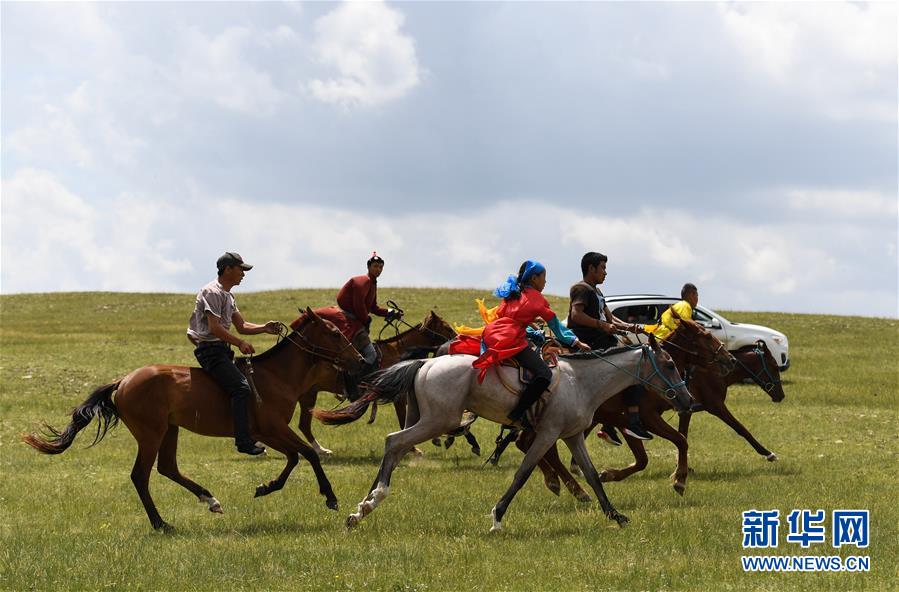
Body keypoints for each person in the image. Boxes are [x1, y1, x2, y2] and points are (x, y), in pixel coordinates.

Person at [469, 260, 591, 429]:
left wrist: (533, 331)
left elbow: (513, 319)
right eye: (543, 277)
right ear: (534, 278)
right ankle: (517, 414)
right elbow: (556, 326)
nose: (545, 281)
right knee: (544, 374)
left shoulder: (514, 293)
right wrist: (576, 341)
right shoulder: (537, 299)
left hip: (492, 332)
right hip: (509, 337)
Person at [187, 252, 281, 455]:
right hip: (211, 352)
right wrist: (240, 343)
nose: (243, 274)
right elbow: (215, 328)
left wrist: (265, 327)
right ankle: (244, 441)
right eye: (241, 269)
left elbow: (242, 325)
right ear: (228, 269)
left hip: (221, 350)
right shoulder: (212, 292)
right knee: (241, 389)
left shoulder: (228, 295)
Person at [567, 252, 653, 443]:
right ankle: (631, 421)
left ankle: (609, 425)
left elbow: (609, 317)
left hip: (604, 340)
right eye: (603, 268)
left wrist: (629, 327)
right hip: (590, 343)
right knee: (632, 370)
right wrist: (601, 326)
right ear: (591, 268)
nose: (606, 273)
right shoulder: (581, 289)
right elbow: (576, 315)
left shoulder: (597, 292)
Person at [336, 252, 402, 396]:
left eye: (380, 267)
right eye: (375, 266)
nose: (378, 269)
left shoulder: (372, 283)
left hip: (357, 322)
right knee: (371, 354)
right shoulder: (364, 282)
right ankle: (354, 386)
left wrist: (392, 312)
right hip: (351, 321)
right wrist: (366, 320)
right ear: (369, 267)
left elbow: (374, 308)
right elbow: (359, 305)